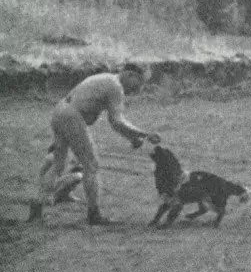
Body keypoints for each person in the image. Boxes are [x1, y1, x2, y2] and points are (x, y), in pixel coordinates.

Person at [28, 65, 161, 225]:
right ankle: (94, 214)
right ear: (130, 74)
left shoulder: (106, 78)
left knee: (58, 164)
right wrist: (145, 134)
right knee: (91, 165)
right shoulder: (115, 86)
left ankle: (37, 207)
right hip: (71, 116)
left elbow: (114, 122)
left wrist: (133, 137)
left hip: (60, 110)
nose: (138, 89)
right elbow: (117, 122)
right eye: (139, 82)